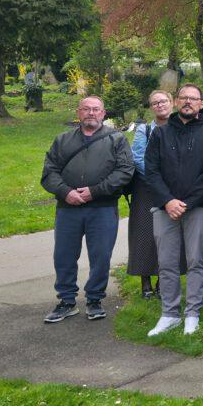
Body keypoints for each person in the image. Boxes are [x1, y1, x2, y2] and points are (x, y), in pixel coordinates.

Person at [40, 96, 134, 323]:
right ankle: (66, 301)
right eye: (86, 109)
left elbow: (124, 171)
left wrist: (95, 191)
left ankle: (94, 299)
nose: (91, 113)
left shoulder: (117, 139)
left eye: (96, 109)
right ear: (78, 112)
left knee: (100, 256)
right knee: (64, 255)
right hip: (68, 208)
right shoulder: (62, 140)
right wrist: (65, 192)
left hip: (102, 207)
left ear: (103, 113)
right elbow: (49, 173)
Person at [144, 84, 203, 336]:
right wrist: (168, 201)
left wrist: (186, 202)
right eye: (184, 98)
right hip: (164, 207)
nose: (188, 102)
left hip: (199, 207)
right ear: (176, 102)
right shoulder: (161, 133)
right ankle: (169, 314)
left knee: (196, 260)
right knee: (166, 262)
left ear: (202, 103)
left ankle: (192, 313)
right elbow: (152, 170)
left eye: (194, 99)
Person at [128, 90, 173, 298]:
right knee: (144, 235)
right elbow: (138, 158)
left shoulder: (179, 127)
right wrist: (157, 181)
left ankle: (164, 280)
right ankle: (145, 279)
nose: (159, 105)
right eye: (155, 103)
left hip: (173, 189)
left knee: (168, 236)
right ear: (151, 107)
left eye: (163, 101)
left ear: (172, 103)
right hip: (146, 188)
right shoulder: (144, 130)